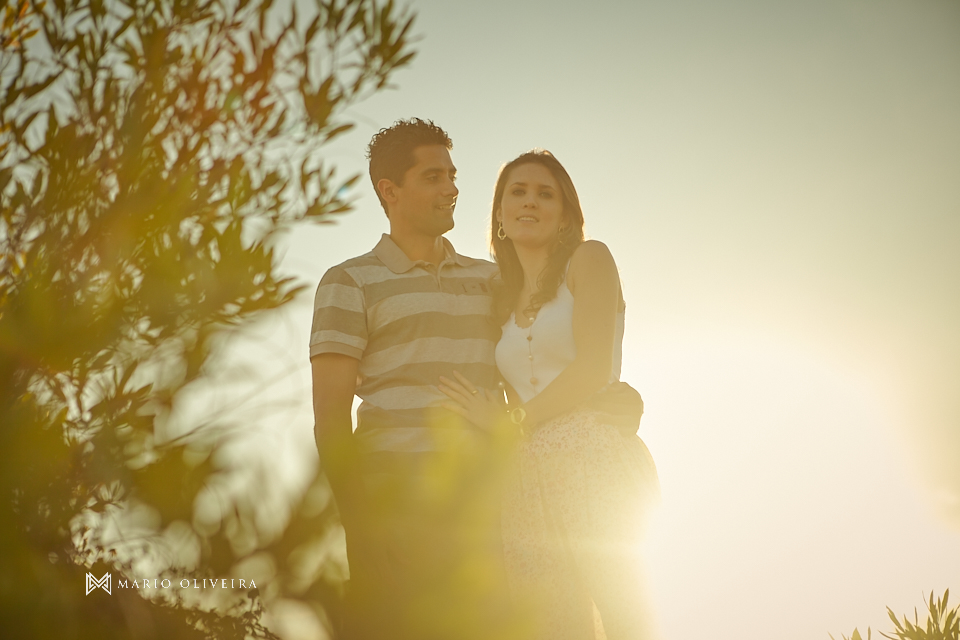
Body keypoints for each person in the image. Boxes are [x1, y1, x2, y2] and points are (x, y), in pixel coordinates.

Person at [439, 149, 661, 640]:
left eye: (546, 194)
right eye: (517, 192)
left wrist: (508, 423)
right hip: (524, 480)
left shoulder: (589, 259)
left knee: (627, 618)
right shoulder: (498, 295)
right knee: (551, 626)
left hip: (597, 458)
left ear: (566, 215)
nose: (530, 202)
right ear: (498, 214)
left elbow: (591, 368)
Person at [309, 119, 516, 640]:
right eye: (433, 177)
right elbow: (330, 421)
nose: (452, 188)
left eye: (452, 175)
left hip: (489, 520)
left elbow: (540, 362)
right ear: (390, 191)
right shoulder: (349, 281)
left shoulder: (492, 281)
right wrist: (361, 532)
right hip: (395, 521)